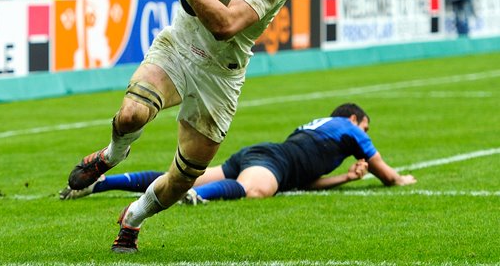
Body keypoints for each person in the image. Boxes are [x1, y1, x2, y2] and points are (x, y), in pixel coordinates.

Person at [62, 0, 296, 253]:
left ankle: (132, 218)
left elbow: (225, 26)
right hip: (179, 45)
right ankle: (112, 155)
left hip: (220, 74)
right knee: (130, 116)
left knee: (182, 178)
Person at [60, 103, 416, 203]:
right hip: (272, 163)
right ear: (355, 120)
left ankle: (102, 185)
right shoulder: (349, 128)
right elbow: (384, 172)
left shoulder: (315, 128)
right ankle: (197, 196)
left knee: (180, 176)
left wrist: (344, 178)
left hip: (264, 156)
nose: (364, 135)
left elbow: (303, 182)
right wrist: (398, 179)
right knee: (256, 190)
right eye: (364, 127)